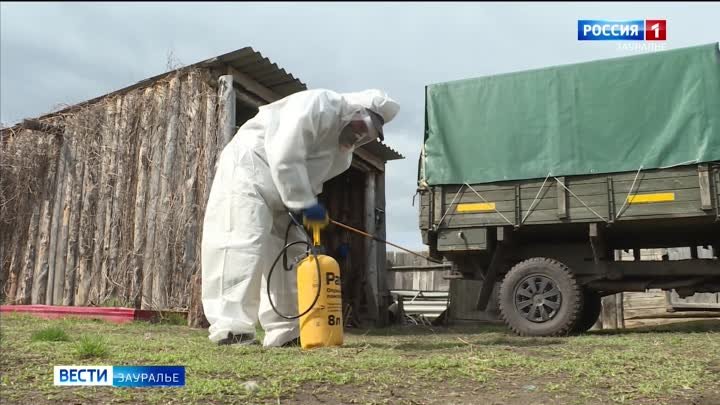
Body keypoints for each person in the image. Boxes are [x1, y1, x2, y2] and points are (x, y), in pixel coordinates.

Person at [201, 89, 400, 347]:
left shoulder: (342, 157)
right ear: (353, 110)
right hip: (248, 171)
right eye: (361, 126)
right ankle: (231, 328)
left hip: (284, 195)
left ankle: (287, 331)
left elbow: (311, 181)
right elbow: (285, 154)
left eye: (369, 133)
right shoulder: (318, 104)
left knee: (293, 254)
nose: (360, 134)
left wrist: (308, 205)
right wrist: (305, 204)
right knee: (239, 242)